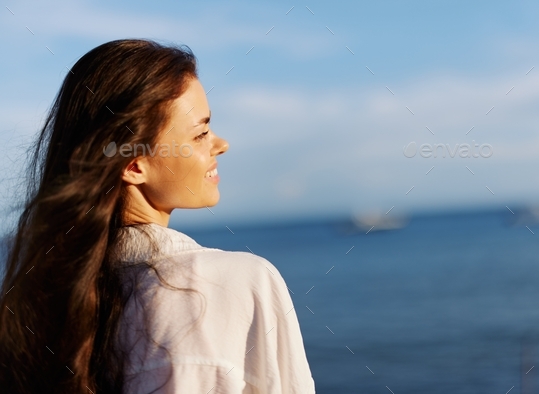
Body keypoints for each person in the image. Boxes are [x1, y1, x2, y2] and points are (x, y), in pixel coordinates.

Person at [0, 39, 315, 393]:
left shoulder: (41, 305)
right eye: (200, 133)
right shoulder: (233, 284)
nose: (220, 144)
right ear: (134, 165)